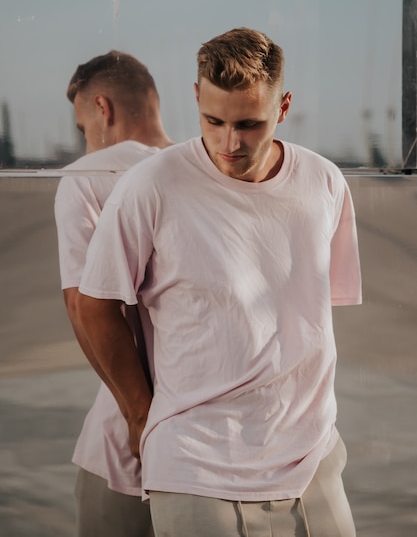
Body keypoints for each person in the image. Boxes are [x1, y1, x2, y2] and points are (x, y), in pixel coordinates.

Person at [76, 28, 362, 537]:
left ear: (284, 106)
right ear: (194, 98)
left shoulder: (324, 182)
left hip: (310, 452)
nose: (230, 143)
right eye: (213, 121)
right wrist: (141, 418)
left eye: (250, 124)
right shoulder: (150, 186)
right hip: (193, 459)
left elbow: (308, 313)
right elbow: (95, 304)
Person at [54, 50, 173, 537]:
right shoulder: (204, 167)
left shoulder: (89, 175)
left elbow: (84, 306)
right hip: (211, 449)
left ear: (102, 108)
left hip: (128, 445)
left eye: (84, 126)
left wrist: (139, 418)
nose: (87, 140)